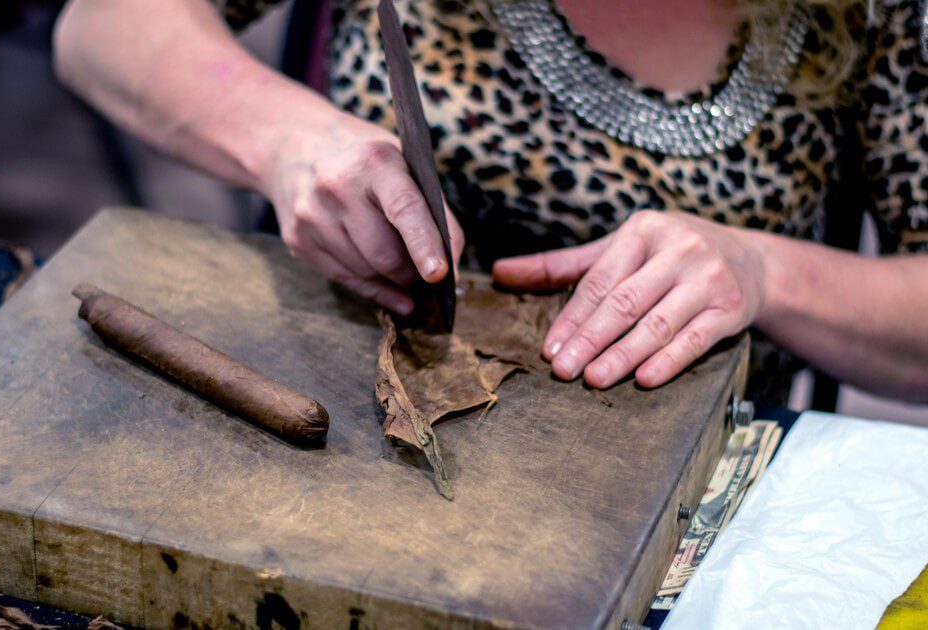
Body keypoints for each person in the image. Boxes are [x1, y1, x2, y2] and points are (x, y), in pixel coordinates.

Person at [52, 0, 928, 403]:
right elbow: (104, 27)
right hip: (338, 400)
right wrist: (288, 140)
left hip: (678, 495)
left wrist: (767, 272)